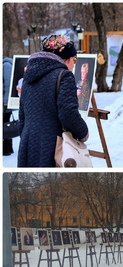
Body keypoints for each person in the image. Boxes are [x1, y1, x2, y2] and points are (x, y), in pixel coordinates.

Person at [17, 34, 89, 167]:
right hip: (52, 145)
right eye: (75, 59)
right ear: (66, 59)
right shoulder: (64, 76)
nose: (74, 65)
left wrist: (28, 137)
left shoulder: (28, 76)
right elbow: (68, 113)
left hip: (28, 144)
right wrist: (83, 132)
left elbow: (22, 116)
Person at [3, 56, 14, 155]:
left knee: (5, 126)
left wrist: (6, 102)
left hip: (4, 104)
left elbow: (8, 85)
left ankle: (6, 149)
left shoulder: (6, 65)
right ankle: (7, 148)